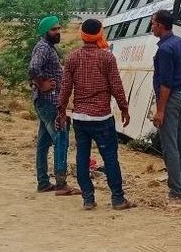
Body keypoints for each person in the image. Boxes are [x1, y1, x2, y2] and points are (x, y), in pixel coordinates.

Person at [57, 19, 135, 211]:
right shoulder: (107, 58)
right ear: (100, 34)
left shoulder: (73, 58)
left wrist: (61, 111)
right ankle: (117, 199)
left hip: (80, 118)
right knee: (110, 157)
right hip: (101, 117)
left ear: (82, 35)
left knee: (82, 157)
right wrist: (124, 108)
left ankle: (88, 199)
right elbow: (116, 86)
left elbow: (65, 88)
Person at [28, 15, 80, 195]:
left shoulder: (47, 47)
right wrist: (41, 84)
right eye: (53, 29)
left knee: (43, 142)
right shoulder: (43, 48)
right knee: (61, 138)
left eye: (59, 28)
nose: (58, 32)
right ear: (45, 32)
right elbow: (33, 68)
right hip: (48, 101)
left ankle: (43, 182)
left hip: (46, 101)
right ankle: (61, 183)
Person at [150, 9, 181, 202]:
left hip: (169, 100)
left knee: (169, 146)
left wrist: (160, 110)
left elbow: (165, 84)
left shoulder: (165, 50)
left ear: (160, 25)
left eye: (153, 23)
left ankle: (176, 191)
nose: (152, 27)